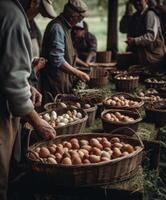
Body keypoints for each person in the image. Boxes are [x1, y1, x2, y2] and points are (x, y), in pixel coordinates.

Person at [0, 1, 56, 200]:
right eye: (38, 11)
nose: (35, 17)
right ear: (33, 1)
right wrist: (37, 121)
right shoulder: (13, 16)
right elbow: (13, 82)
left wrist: (28, 86)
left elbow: (6, 68)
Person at [40, 0, 90, 104]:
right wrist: (78, 73)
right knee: (54, 108)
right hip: (54, 82)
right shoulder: (57, 28)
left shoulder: (66, 27)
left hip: (61, 80)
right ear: (73, 15)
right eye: (81, 18)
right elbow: (57, 59)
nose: (80, 21)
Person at [126, 0, 166, 71]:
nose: (137, 3)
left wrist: (135, 40)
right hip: (146, 58)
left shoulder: (150, 14)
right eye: (135, 1)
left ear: (146, 1)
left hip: (155, 57)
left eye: (139, 0)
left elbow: (151, 36)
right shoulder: (138, 15)